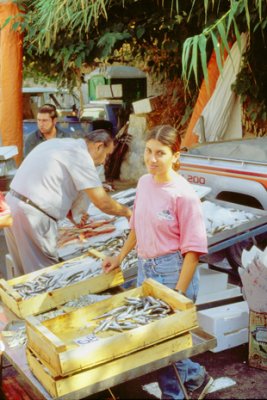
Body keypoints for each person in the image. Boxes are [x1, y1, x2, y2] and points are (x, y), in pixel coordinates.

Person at [102, 125, 213, 400]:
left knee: (164, 343)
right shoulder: (144, 183)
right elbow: (137, 226)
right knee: (158, 339)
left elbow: (193, 252)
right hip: (145, 269)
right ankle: (196, 376)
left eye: (160, 153)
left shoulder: (184, 195)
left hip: (173, 271)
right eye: (149, 151)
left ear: (175, 156)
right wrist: (119, 256)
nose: (152, 159)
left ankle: (173, 395)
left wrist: (177, 292)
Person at [4, 129, 132, 276]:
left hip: (12, 207)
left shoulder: (61, 144)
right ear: (98, 146)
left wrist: (72, 214)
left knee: (24, 276)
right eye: (107, 155)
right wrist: (127, 212)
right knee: (43, 278)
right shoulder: (81, 157)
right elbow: (103, 202)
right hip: (32, 216)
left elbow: (58, 182)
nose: (104, 161)